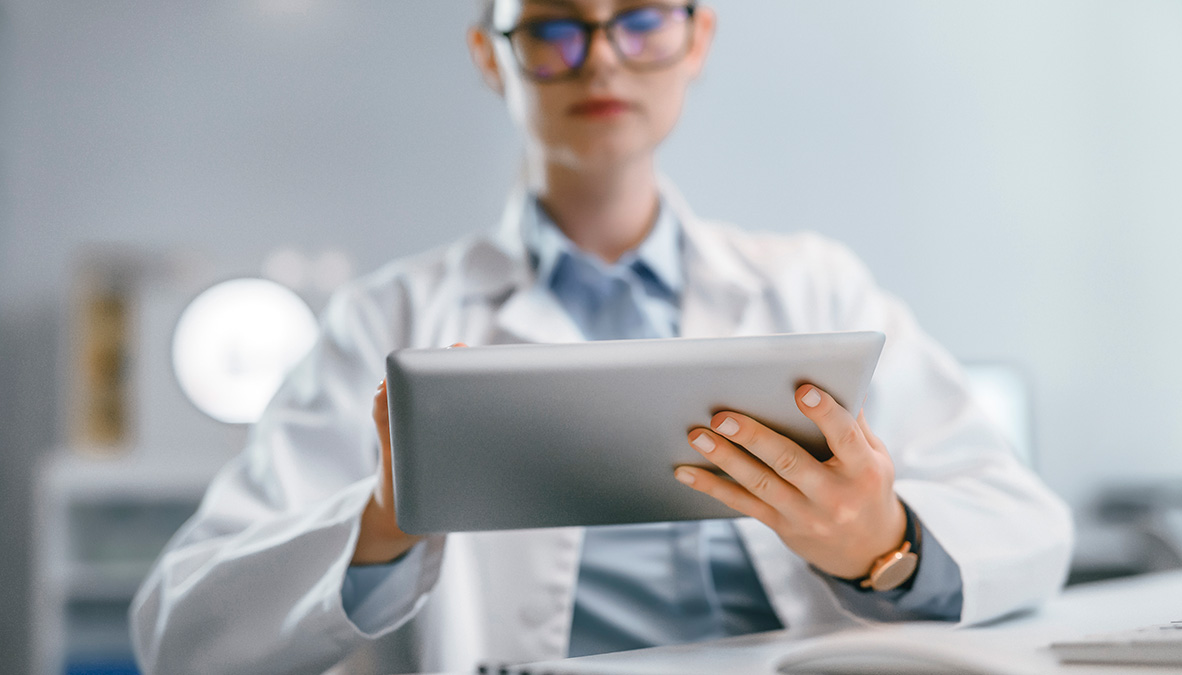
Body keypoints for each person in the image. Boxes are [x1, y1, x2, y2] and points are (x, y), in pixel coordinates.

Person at [130, 1, 1074, 673]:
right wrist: (381, 522)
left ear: (698, 37)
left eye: (641, 19)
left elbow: (1028, 523)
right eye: (553, 27)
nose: (602, 58)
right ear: (488, 52)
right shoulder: (389, 321)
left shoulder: (811, 282)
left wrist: (886, 545)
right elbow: (177, 632)